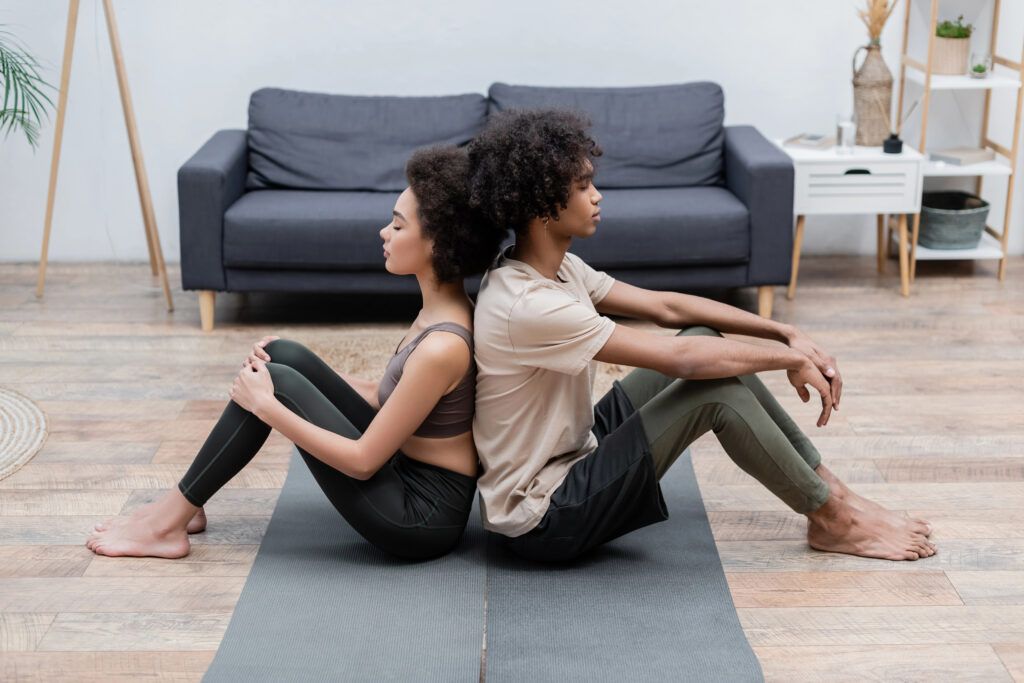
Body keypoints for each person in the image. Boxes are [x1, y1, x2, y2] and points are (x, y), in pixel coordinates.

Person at [466, 109, 936, 563]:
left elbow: (667, 308)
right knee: (714, 391)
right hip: (544, 513)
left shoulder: (556, 267)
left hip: (575, 445)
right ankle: (832, 518)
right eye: (584, 186)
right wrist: (789, 361)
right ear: (543, 207)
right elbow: (681, 360)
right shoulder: (529, 305)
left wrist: (784, 332)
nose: (597, 196)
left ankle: (832, 492)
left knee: (705, 335)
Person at [87, 147, 505, 561]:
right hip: (404, 469)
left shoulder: (442, 347)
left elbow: (362, 462)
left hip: (419, 517)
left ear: (437, 244)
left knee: (277, 387)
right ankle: (186, 502)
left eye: (397, 226)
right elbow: (386, 397)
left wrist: (268, 407)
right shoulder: (442, 310)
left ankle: (166, 525)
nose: (384, 232)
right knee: (281, 356)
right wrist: (295, 367)